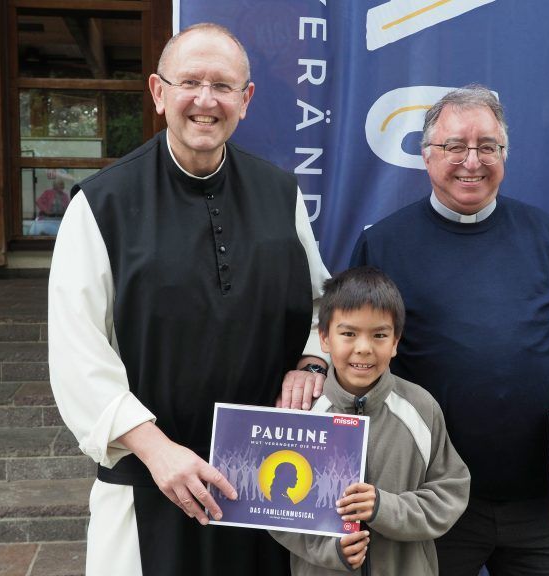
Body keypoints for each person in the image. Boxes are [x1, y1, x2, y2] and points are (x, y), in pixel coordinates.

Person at [48, 22, 330, 576]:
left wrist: (313, 358)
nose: (206, 100)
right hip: (153, 483)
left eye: (223, 86)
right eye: (189, 83)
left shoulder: (282, 194)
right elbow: (78, 356)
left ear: (245, 101)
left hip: (268, 485)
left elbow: (324, 306)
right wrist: (157, 451)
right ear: (159, 93)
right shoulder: (101, 205)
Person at [350, 85, 549, 575]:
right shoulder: (384, 247)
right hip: (429, 499)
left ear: (504, 155)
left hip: (543, 504)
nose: (471, 161)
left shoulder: (548, 238)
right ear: (427, 155)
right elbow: (355, 369)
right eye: (454, 146)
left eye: (487, 146)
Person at [271, 266, 471, 575]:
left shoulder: (420, 407)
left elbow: (450, 492)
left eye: (379, 335)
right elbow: (276, 511)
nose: (364, 347)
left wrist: (383, 508)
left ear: (395, 342)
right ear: (324, 338)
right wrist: (330, 551)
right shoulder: (302, 412)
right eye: (348, 333)